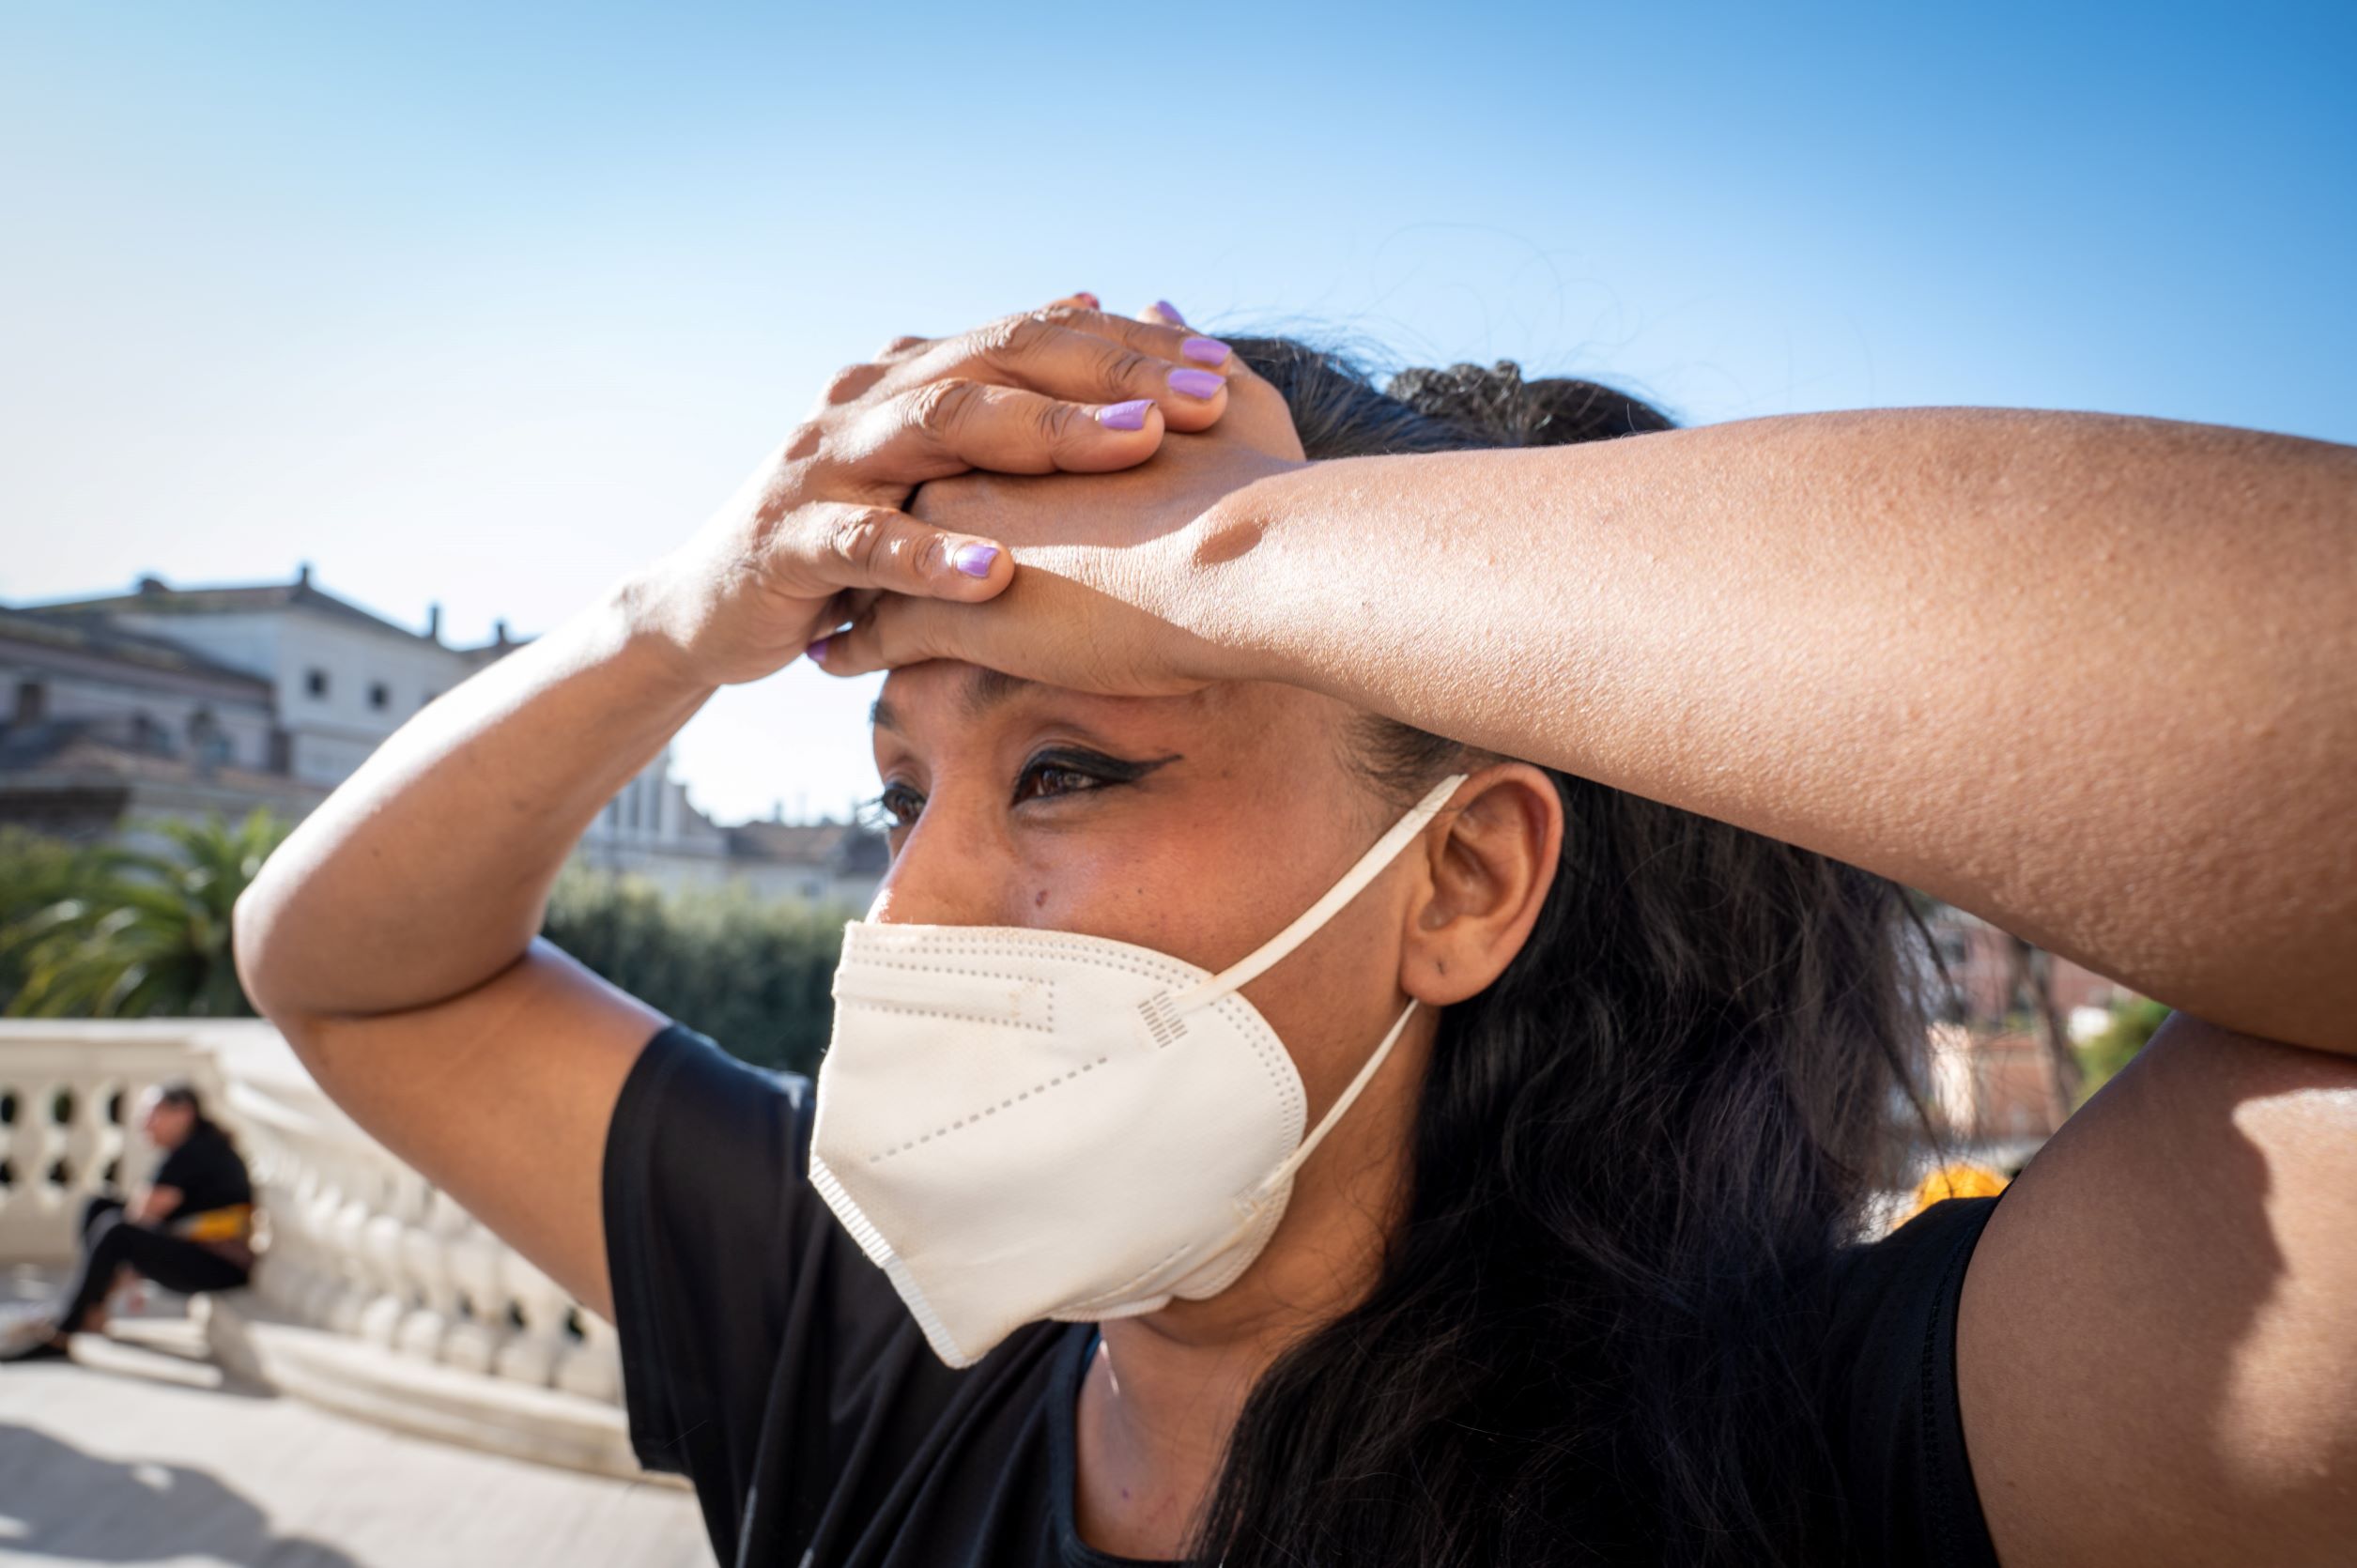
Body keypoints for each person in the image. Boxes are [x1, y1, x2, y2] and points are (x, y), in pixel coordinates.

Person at [229, 296, 2356, 1567]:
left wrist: (1244, 550)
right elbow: (348, 966)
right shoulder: (851, 1337)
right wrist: (678, 616)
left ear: (1464, 878)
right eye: (900, 793)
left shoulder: (1850, 1451)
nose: (912, 901)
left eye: (1069, 767)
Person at [4, 1083, 255, 1363]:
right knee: (100, 1206)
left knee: (116, 1231)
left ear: (183, 1113)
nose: (143, 1124)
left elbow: (142, 1214)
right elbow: (146, 1212)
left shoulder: (197, 1150)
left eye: (152, 1114)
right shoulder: (196, 1145)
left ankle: (65, 1330)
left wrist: (122, 1278)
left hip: (220, 1266)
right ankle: (91, 1312)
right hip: (201, 1253)